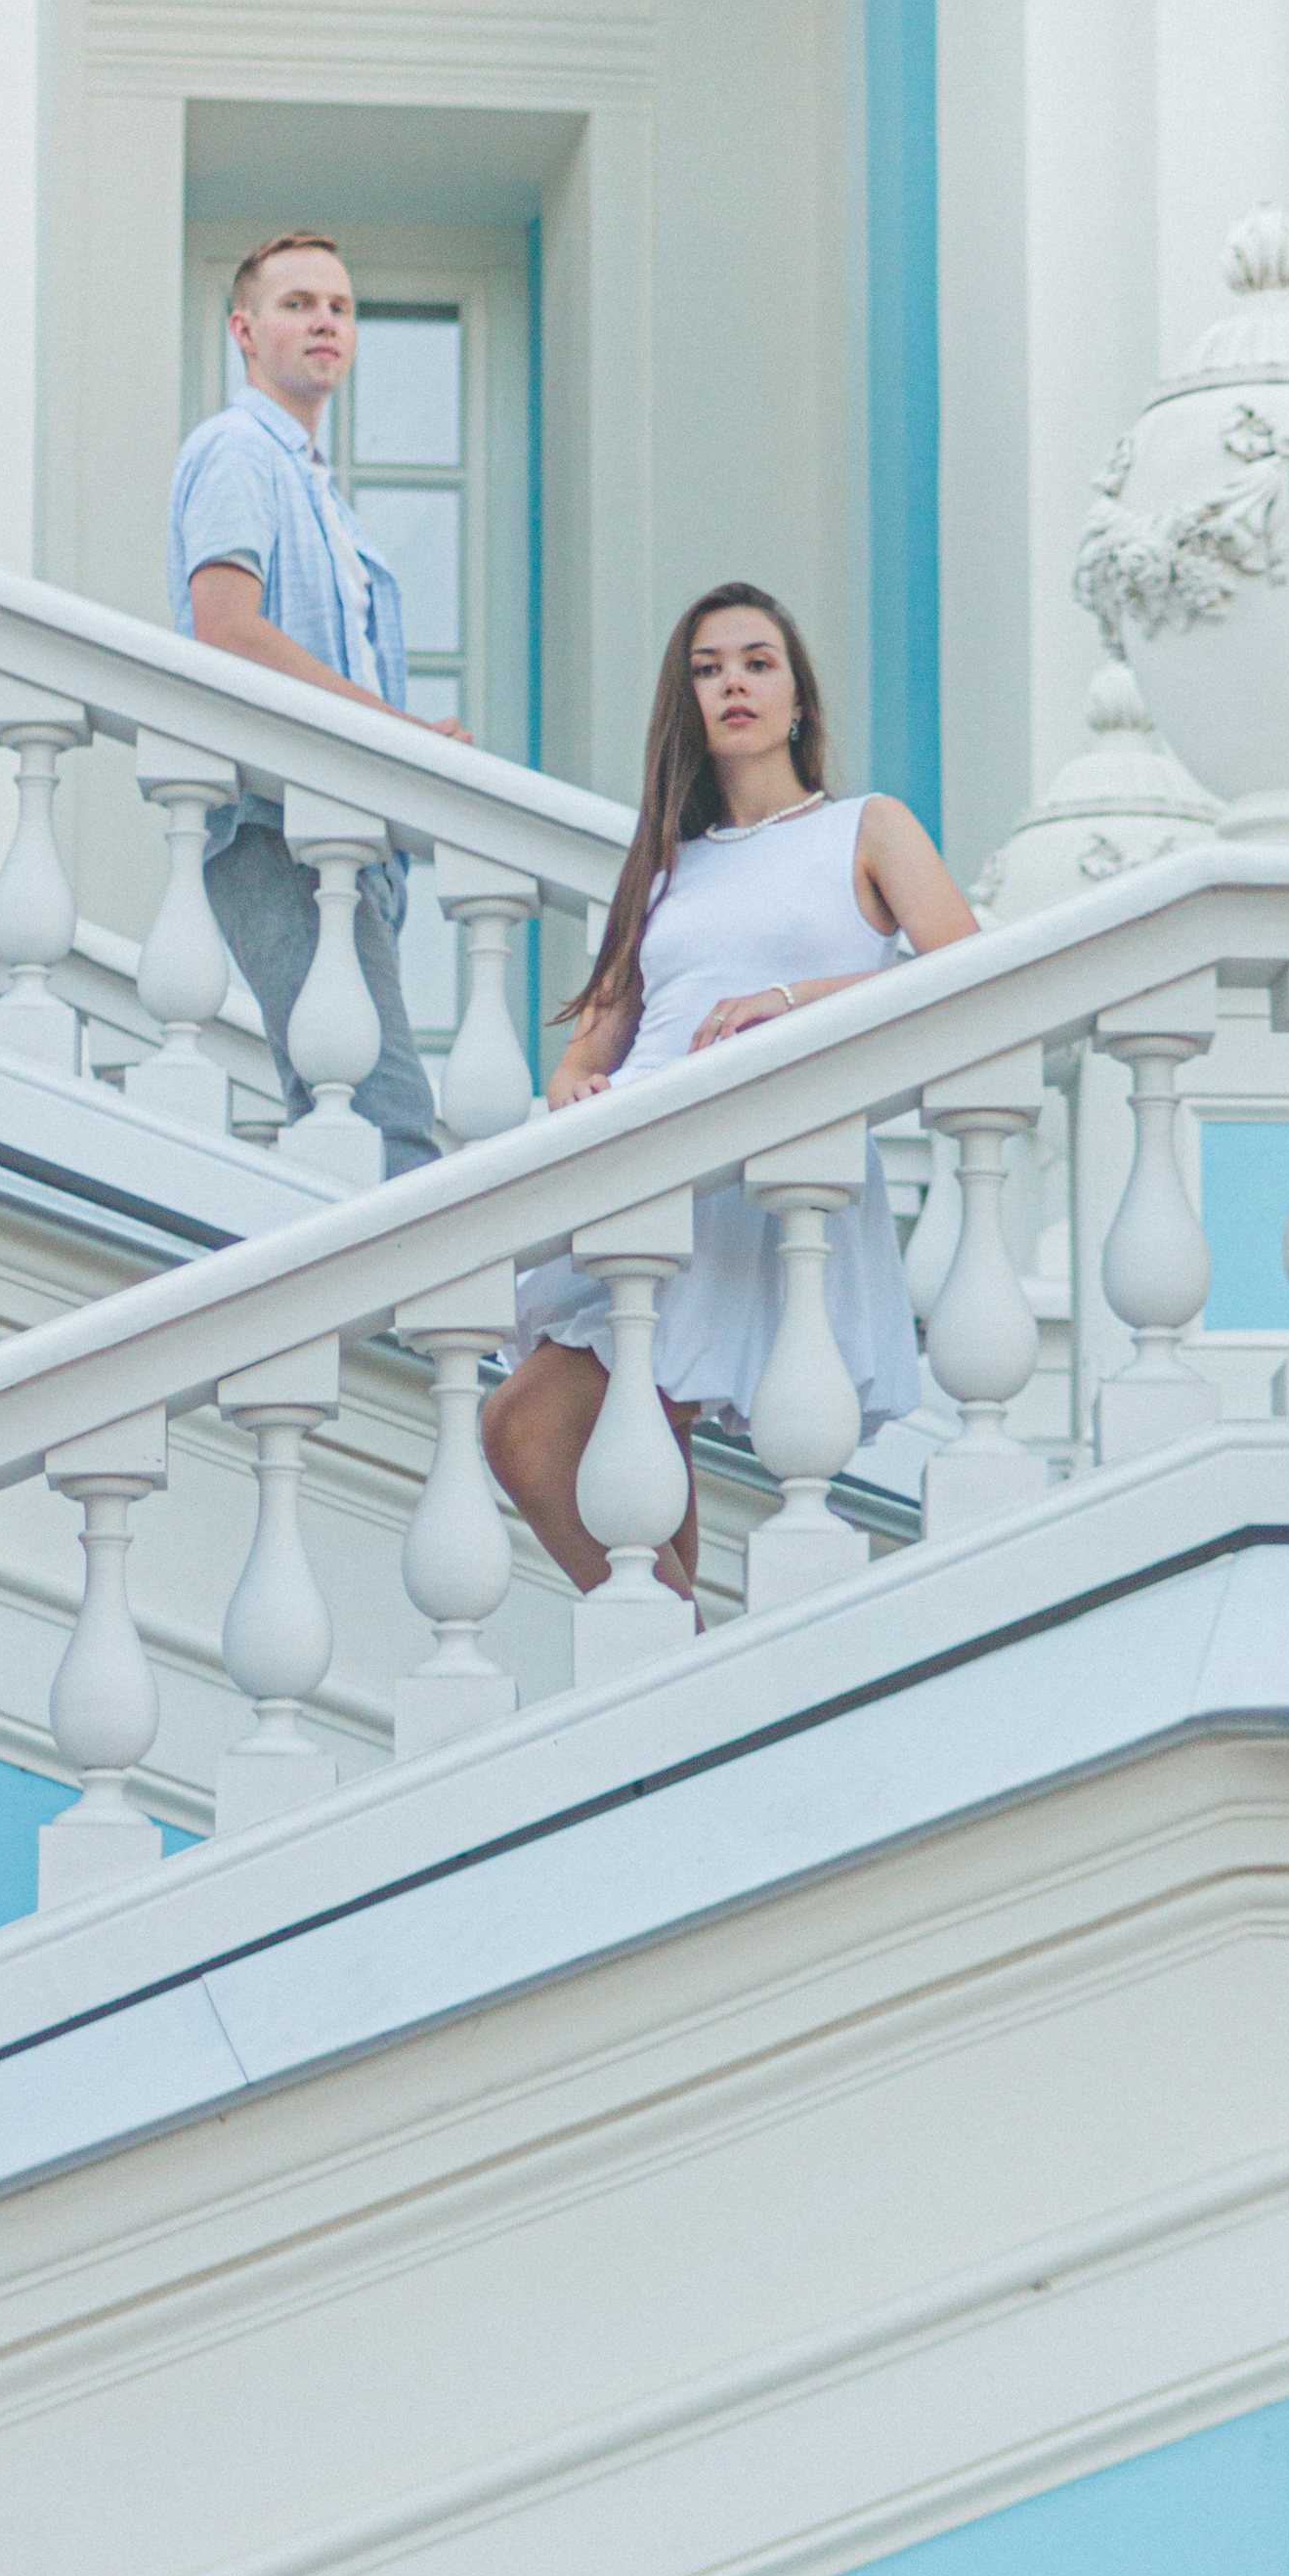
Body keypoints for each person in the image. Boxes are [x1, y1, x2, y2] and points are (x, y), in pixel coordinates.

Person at [481, 580, 977, 1602]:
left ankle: (673, 1678)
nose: (733, 685)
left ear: (798, 701)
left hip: (760, 1172)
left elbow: (967, 971)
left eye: (757, 663)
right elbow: (588, 1051)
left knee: (541, 1430)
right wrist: (577, 1091)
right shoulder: (665, 861)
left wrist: (792, 1001)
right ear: (688, 707)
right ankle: (681, 1684)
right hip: (648, 1165)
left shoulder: (867, 828)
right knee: (603, 1447)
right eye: (707, 671)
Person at [166, 230, 463, 1177]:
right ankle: (415, 1329)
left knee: (344, 1104)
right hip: (275, 826)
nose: (325, 322)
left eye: (339, 307)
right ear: (243, 331)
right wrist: (394, 733)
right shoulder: (238, 451)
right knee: (384, 1116)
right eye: (297, 304)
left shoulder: (315, 488)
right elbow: (227, 626)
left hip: (337, 837)